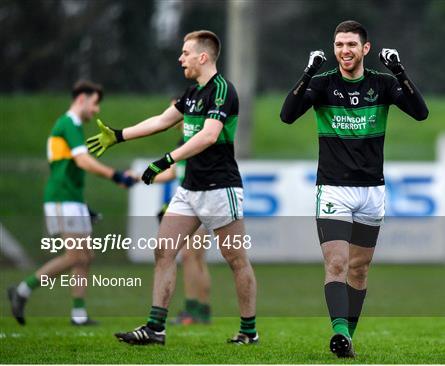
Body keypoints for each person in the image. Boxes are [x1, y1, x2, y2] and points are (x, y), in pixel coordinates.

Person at [86, 30, 257, 345]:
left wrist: (163, 162)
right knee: (164, 251)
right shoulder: (192, 92)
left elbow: (207, 136)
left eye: (186, 53)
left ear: (202, 57)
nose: (181, 58)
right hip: (189, 190)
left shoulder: (222, 91)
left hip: (220, 189)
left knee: (236, 259)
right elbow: (161, 120)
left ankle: (248, 331)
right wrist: (120, 134)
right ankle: (155, 329)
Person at [280, 20, 428, 358]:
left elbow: (420, 113)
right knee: (336, 264)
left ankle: (346, 339)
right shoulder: (322, 84)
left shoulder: (383, 83)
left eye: (351, 45)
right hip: (333, 189)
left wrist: (401, 71)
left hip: (372, 191)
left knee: (359, 270)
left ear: (365, 49)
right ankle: (339, 332)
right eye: (339, 45)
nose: (344, 51)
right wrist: (307, 73)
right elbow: (287, 115)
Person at [7, 80, 137, 326]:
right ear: (82, 99)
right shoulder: (68, 123)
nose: (96, 110)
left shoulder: (73, 125)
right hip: (61, 198)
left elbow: (75, 165)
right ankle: (23, 289)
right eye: (95, 103)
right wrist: (116, 175)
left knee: (86, 256)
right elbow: (83, 162)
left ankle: (78, 315)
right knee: (76, 255)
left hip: (73, 199)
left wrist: (83, 206)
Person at [153, 124, 212, 326]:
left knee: (189, 257)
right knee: (197, 259)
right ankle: (203, 309)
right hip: (199, 204)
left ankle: (192, 309)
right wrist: (140, 177)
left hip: (198, 204)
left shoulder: (196, 141)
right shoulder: (184, 143)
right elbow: (171, 173)